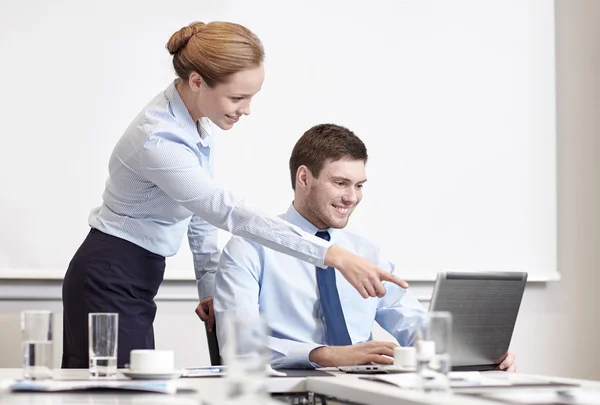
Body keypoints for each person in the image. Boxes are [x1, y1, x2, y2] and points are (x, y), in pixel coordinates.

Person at [61, 21, 408, 369]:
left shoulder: (194, 122)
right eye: (237, 97)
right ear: (197, 81)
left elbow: (195, 211)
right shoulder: (160, 139)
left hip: (135, 272)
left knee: (130, 388)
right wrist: (333, 254)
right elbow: (226, 211)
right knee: (113, 391)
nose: (246, 109)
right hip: (110, 271)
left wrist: (207, 285)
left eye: (251, 97)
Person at [214, 123, 516, 371]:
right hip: (285, 391)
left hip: (365, 389)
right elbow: (240, 348)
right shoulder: (249, 248)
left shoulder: (366, 253)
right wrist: (326, 354)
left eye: (359, 186)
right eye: (341, 183)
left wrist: (471, 352)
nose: (352, 197)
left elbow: (408, 319)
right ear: (304, 177)